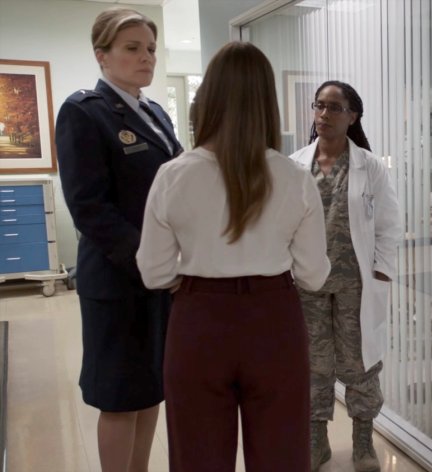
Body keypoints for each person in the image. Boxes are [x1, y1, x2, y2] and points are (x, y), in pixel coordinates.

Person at [136, 42, 330, 471]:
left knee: (197, 455)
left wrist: (199, 279)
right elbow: (314, 276)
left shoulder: (173, 175)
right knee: (282, 453)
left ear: (208, 98)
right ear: (267, 102)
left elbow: (153, 272)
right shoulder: (295, 178)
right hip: (274, 322)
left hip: (198, 322)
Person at [54, 9, 182, 472]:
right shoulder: (83, 112)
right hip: (117, 278)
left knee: (151, 389)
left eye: (150, 48)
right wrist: (150, 261)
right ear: (101, 55)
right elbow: (89, 207)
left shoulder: (154, 113)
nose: (146, 57)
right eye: (132, 48)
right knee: (118, 396)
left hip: (160, 277)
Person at [290, 81, 400, 472]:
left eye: (334, 108)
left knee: (359, 361)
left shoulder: (369, 166)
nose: (323, 114)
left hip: (356, 281)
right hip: (308, 283)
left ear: (352, 116)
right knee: (313, 362)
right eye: (319, 106)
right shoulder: (295, 163)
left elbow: (389, 222)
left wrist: (382, 270)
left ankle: (363, 440)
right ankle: (316, 439)